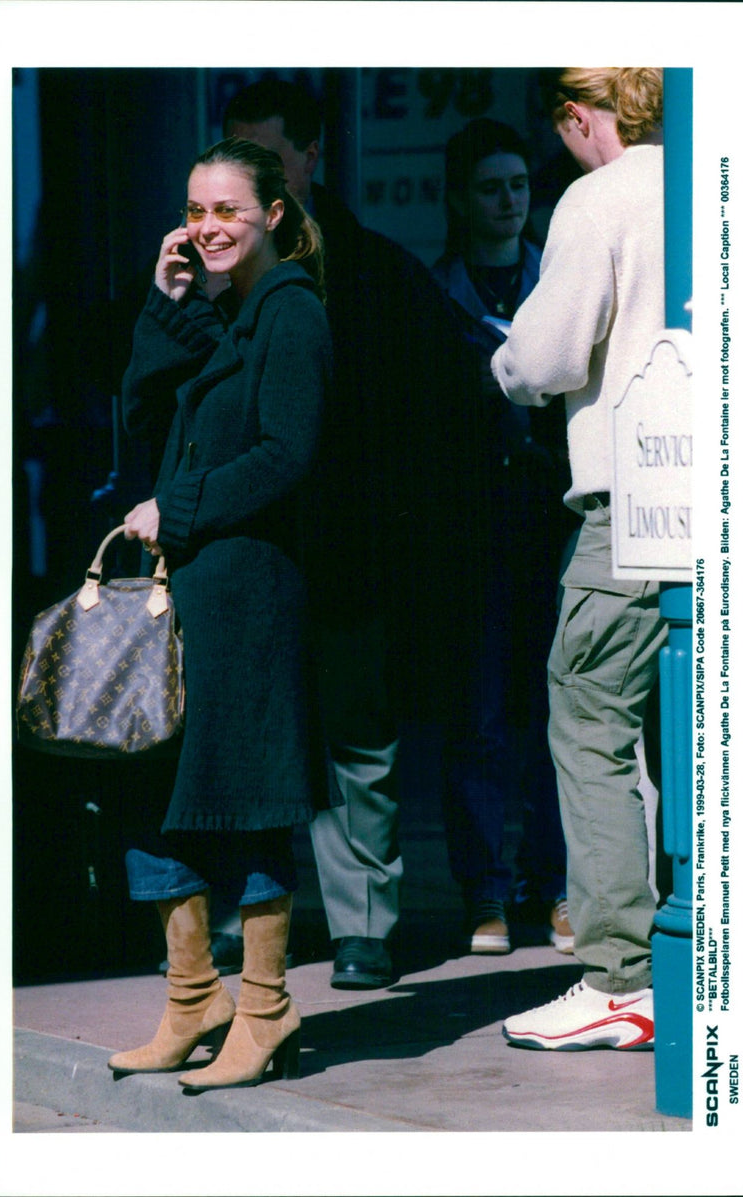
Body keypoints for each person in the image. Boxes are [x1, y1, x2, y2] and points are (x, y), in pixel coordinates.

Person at [223, 79, 484, 989]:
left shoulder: (372, 270)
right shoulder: (218, 268)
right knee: (254, 732)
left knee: (354, 737)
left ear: (309, 155)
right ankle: (258, 916)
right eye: (238, 152)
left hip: (344, 544)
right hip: (249, 544)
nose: (249, 174)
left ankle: (361, 924)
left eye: (264, 154)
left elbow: (433, 420)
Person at [107, 136, 337, 1090]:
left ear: (273, 214)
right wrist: (166, 309)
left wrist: (181, 508)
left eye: (227, 212)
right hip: (186, 596)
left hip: (248, 596)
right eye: (195, 212)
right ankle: (189, 993)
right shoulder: (221, 316)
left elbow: (290, 453)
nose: (207, 228)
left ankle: (266, 1004)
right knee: (153, 797)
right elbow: (137, 427)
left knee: (246, 803)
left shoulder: (291, 315)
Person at [491, 68, 667, 1049]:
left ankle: (617, 976)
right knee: (689, 732)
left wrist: (500, 358)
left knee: (587, 716)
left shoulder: (596, 198)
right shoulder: (709, 181)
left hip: (631, 501)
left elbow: (544, 358)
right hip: (724, 503)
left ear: (575, 115)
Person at [431, 118, 574, 956]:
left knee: (557, 711)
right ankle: (485, 892)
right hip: (468, 533)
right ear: (458, 197)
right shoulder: (434, 291)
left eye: (520, 184)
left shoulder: (555, 279)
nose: (511, 200)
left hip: (550, 519)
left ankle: (554, 886)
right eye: (492, 186)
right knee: (479, 718)